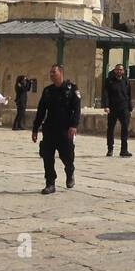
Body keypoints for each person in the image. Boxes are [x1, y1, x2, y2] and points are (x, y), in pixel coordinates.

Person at [32, 64, 80, 194]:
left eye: (54, 72)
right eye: (51, 72)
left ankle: (70, 171)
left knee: (67, 156)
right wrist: (35, 128)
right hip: (50, 129)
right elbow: (41, 111)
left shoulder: (71, 89)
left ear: (61, 73)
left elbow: (77, 109)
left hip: (65, 129)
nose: (51, 74)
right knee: (47, 157)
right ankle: (50, 183)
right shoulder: (48, 91)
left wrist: (74, 125)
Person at [101, 64, 133, 157]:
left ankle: (124, 150)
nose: (119, 71)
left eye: (121, 70)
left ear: (123, 71)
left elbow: (129, 95)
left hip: (124, 109)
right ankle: (110, 149)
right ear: (114, 71)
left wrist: (130, 108)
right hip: (113, 108)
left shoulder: (126, 81)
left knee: (125, 129)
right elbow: (106, 94)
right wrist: (106, 106)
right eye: (117, 70)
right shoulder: (109, 81)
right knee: (110, 129)